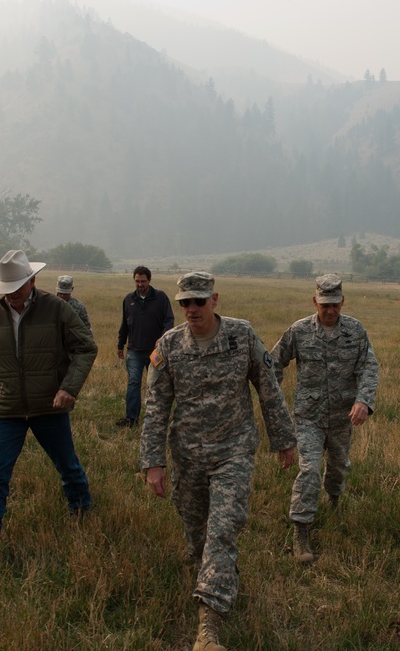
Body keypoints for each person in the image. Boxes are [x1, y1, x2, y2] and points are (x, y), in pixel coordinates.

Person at [140, 271, 296, 651]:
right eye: (185, 303)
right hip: (189, 455)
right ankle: (215, 570)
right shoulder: (170, 346)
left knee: (223, 527)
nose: (192, 309)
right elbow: (156, 407)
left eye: (199, 301)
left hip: (234, 450)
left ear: (215, 300)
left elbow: (268, 388)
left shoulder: (241, 336)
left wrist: (283, 439)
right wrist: (153, 462)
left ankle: (208, 629)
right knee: (198, 536)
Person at [0, 250, 98, 568]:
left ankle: (82, 512)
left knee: (68, 467)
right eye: (6, 289)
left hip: (48, 406)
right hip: (8, 408)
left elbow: (86, 347)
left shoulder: (57, 309)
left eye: (18, 288)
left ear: (33, 281)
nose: (12, 295)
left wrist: (68, 388)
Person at [270, 273, 378, 564]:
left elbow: (369, 366)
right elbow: (274, 363)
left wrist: (363, 401)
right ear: (314, 301)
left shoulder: (355, 332)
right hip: (309, 417)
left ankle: (334, 500)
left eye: (334, 305)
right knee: (309, 471)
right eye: (324, 305)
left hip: (344, 417)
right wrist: (273, 399)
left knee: (339, 467)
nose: (329, 311)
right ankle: (301, 529)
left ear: (342, 301)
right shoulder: (299, 331)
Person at [116, 265, 174, 428]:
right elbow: (124, 324)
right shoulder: (128, 299)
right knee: (133, 382)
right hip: (134, 350)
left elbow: (169, 320)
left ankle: (157, 418)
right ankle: (131, 419)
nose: (140, 284)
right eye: (137, 281)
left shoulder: (161, 298)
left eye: (143, 281)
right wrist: (121, 345)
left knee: (157, 383)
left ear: (149, 280)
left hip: (155, 352)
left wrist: (162, 338)